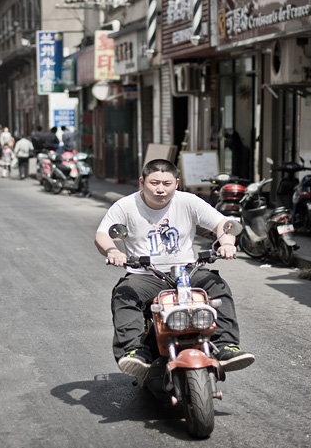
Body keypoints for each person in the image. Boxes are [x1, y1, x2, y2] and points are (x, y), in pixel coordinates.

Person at [95, 158, 254, 385]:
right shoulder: (125, 206)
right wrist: (112, 250)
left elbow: (223, 224)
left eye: (167, 183)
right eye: (154, 183)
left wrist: (227, 242)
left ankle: (227, 346)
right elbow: (102, 235)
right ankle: (134, 352)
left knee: (217, 285)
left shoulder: (188, 201)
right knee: (125, 294)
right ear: (142, 182)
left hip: (187, 272)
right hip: (146, 274)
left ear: (176, 183)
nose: (161, 189)